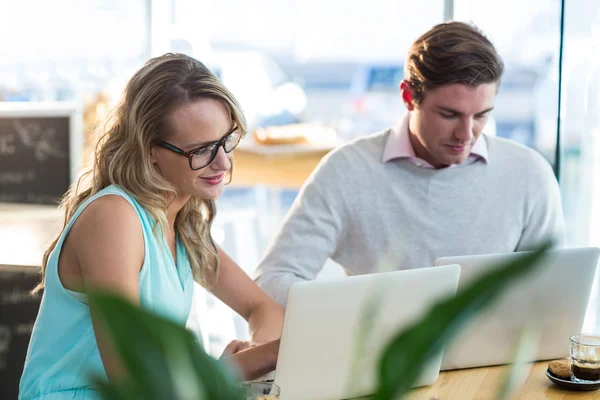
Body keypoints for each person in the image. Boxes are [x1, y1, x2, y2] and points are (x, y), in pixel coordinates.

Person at [20, 53, 284, 400]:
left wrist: (254, 350)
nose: (222, 161)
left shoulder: (183, 224)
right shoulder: (114, 217)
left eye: (226, 140)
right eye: (202, 150)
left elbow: (262, 309)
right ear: (150, 152)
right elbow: (137, 379)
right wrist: (257, 358)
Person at [254, 21, 565, 306]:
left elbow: (552, 293)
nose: (466, 134)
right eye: (449, 114)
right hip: (382, 363)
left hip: (499, 362)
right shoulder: (347, 171)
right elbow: (272, 280)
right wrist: (348, 318)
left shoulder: (529, 175)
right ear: (408, 96)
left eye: (481, 115)